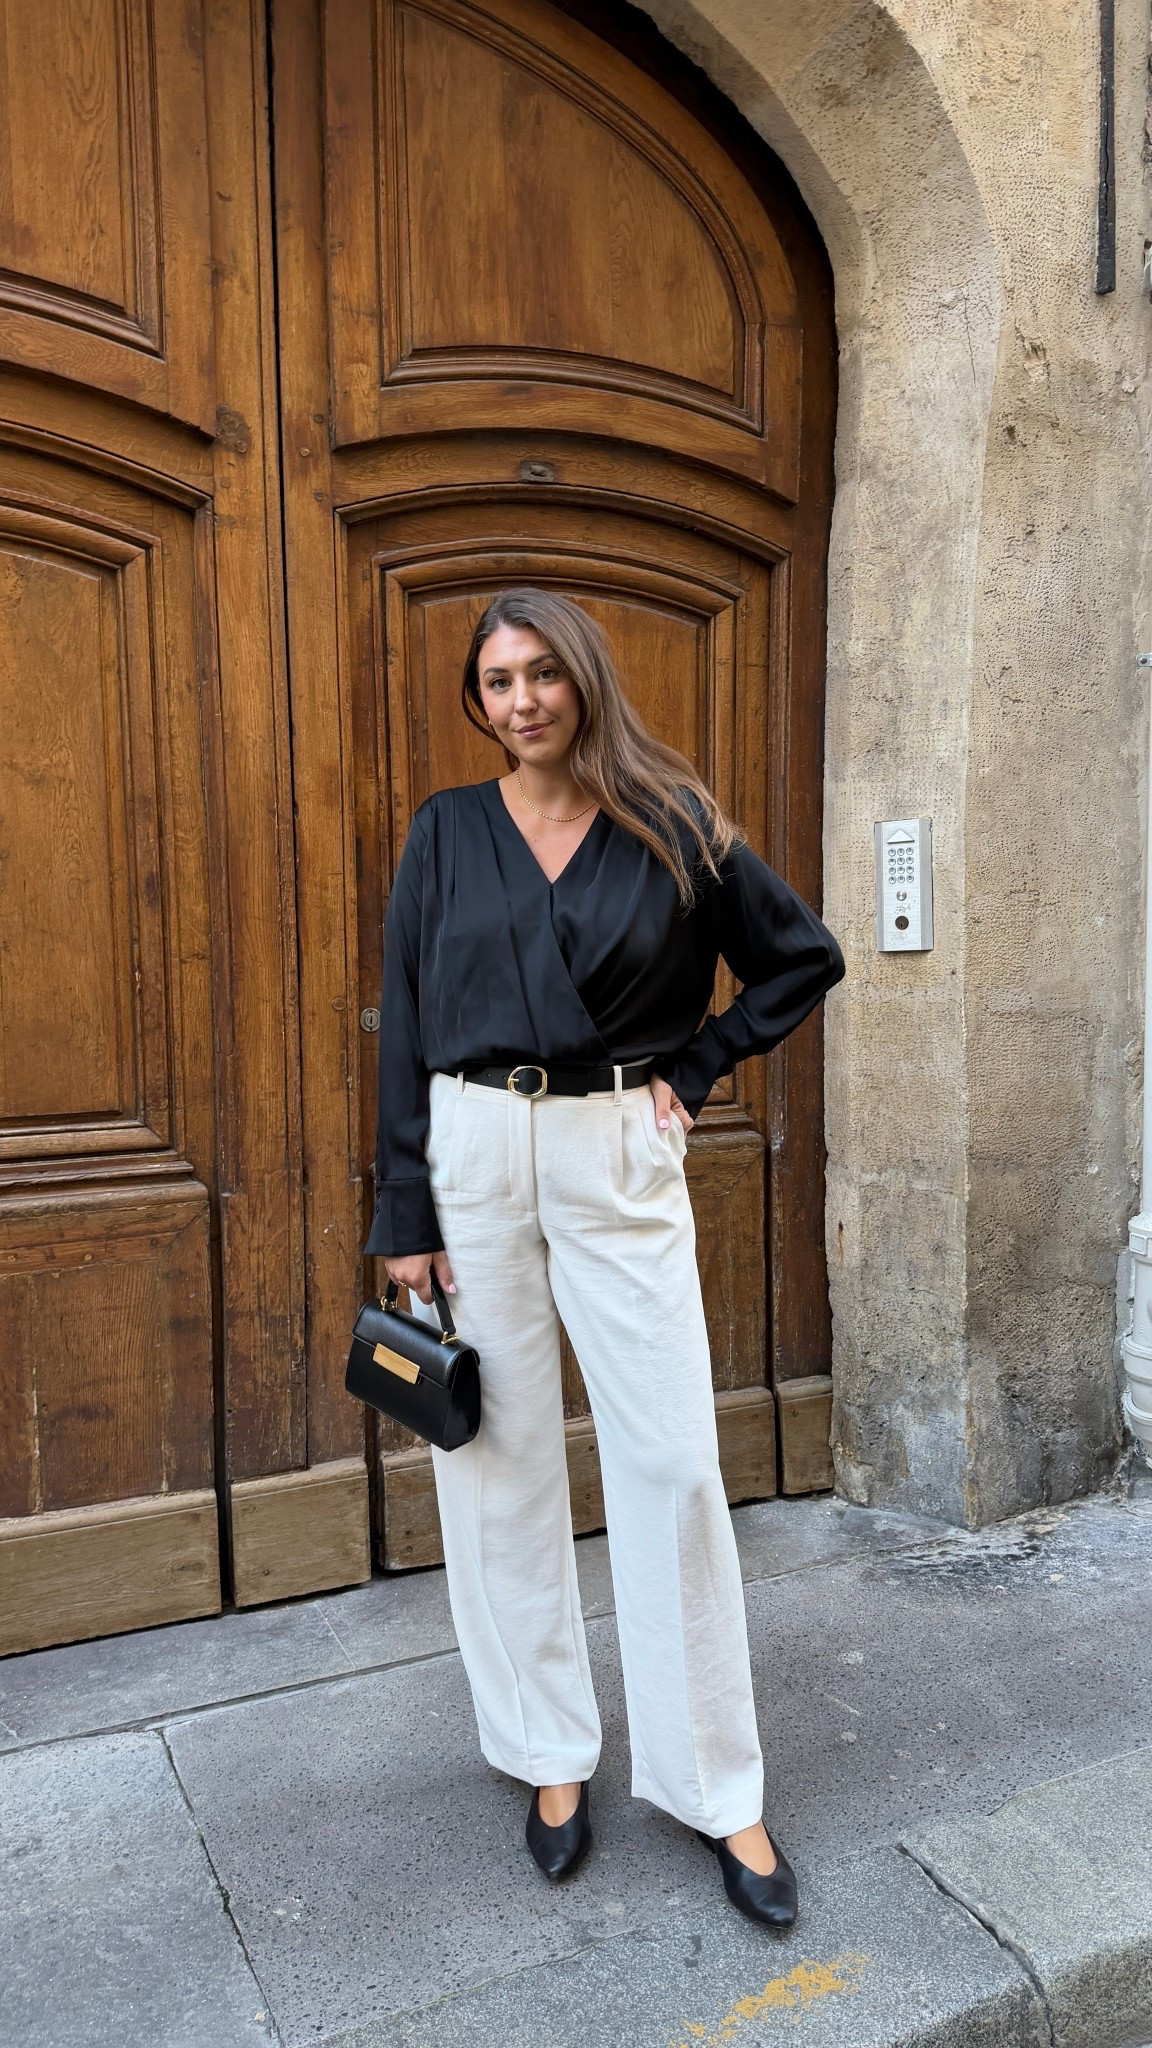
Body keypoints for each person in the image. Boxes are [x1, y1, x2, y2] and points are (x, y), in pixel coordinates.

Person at [365, 588, 844, 1928]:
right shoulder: (447, 832)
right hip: (469, 1152)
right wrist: (402, 1213)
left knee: (672, 1459)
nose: (519, 702)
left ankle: (718, 1785)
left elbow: (801, 959)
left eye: (540, 677)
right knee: (500, 1459)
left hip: (614, 1151)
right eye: (496, 682)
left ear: (583, 680)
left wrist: (692, 1071)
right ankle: (546, 1756)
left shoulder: (674, 819)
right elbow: (405, 1019)